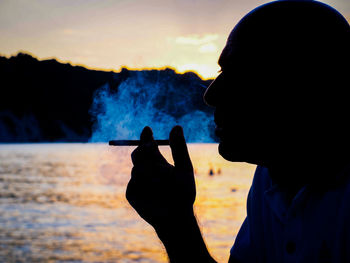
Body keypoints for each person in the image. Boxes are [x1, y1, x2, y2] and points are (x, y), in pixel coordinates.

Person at [125, 1, 350, 262]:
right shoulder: (273, 177)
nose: (210, 95)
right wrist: (176, 224)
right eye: (221, 71)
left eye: (239, 73)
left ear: (305, 85)